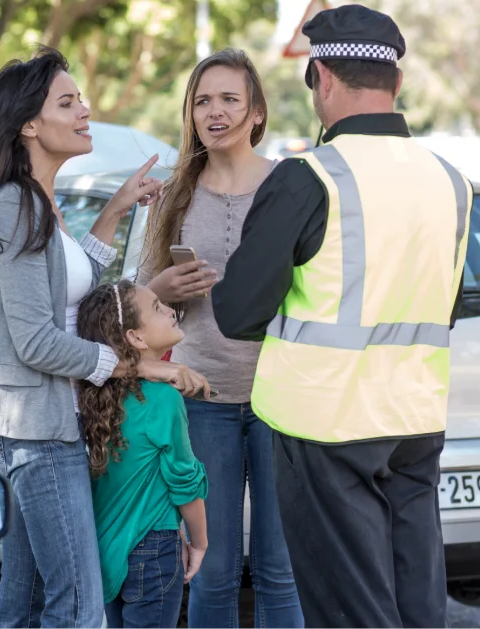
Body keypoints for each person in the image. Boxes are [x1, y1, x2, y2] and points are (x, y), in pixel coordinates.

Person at [212, 6, 473, 627]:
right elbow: (447, 306)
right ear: (397, 85)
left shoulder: (309, 177)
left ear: (321, 77)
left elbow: (238, 312)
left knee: (351, 611)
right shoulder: (452, 181)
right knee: (416, 605)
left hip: (326, 427)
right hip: (414, 420)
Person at [0, 48, 210, 628]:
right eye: (68, 102)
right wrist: (137, 367)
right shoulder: (13, 204)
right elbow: (37, 342)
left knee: (26, 597)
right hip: (34, 422)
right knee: (78, 604)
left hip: (37, 417)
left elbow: (71, 287)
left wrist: (115, 209)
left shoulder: (39, 200)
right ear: (28, 124)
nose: (84, 111)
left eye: (80, 99)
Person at [136, 48, 303, 628]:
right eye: (202, 100)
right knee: (212, 572)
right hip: (201, 401)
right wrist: (163, 286)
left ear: (257, 112)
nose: (215, 111)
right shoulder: (174, 192)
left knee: (282, 572)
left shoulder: (291, 186)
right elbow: (137, 303)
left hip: (281, 400)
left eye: (230, 99)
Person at [76, 280, 210, 628]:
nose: (169, 309)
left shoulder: (93, 396)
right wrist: (199, 542)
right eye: (157, 307)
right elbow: (184, 481)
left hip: (107, 554)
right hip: (154, 553)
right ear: (136, 337)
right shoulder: (163, 399)